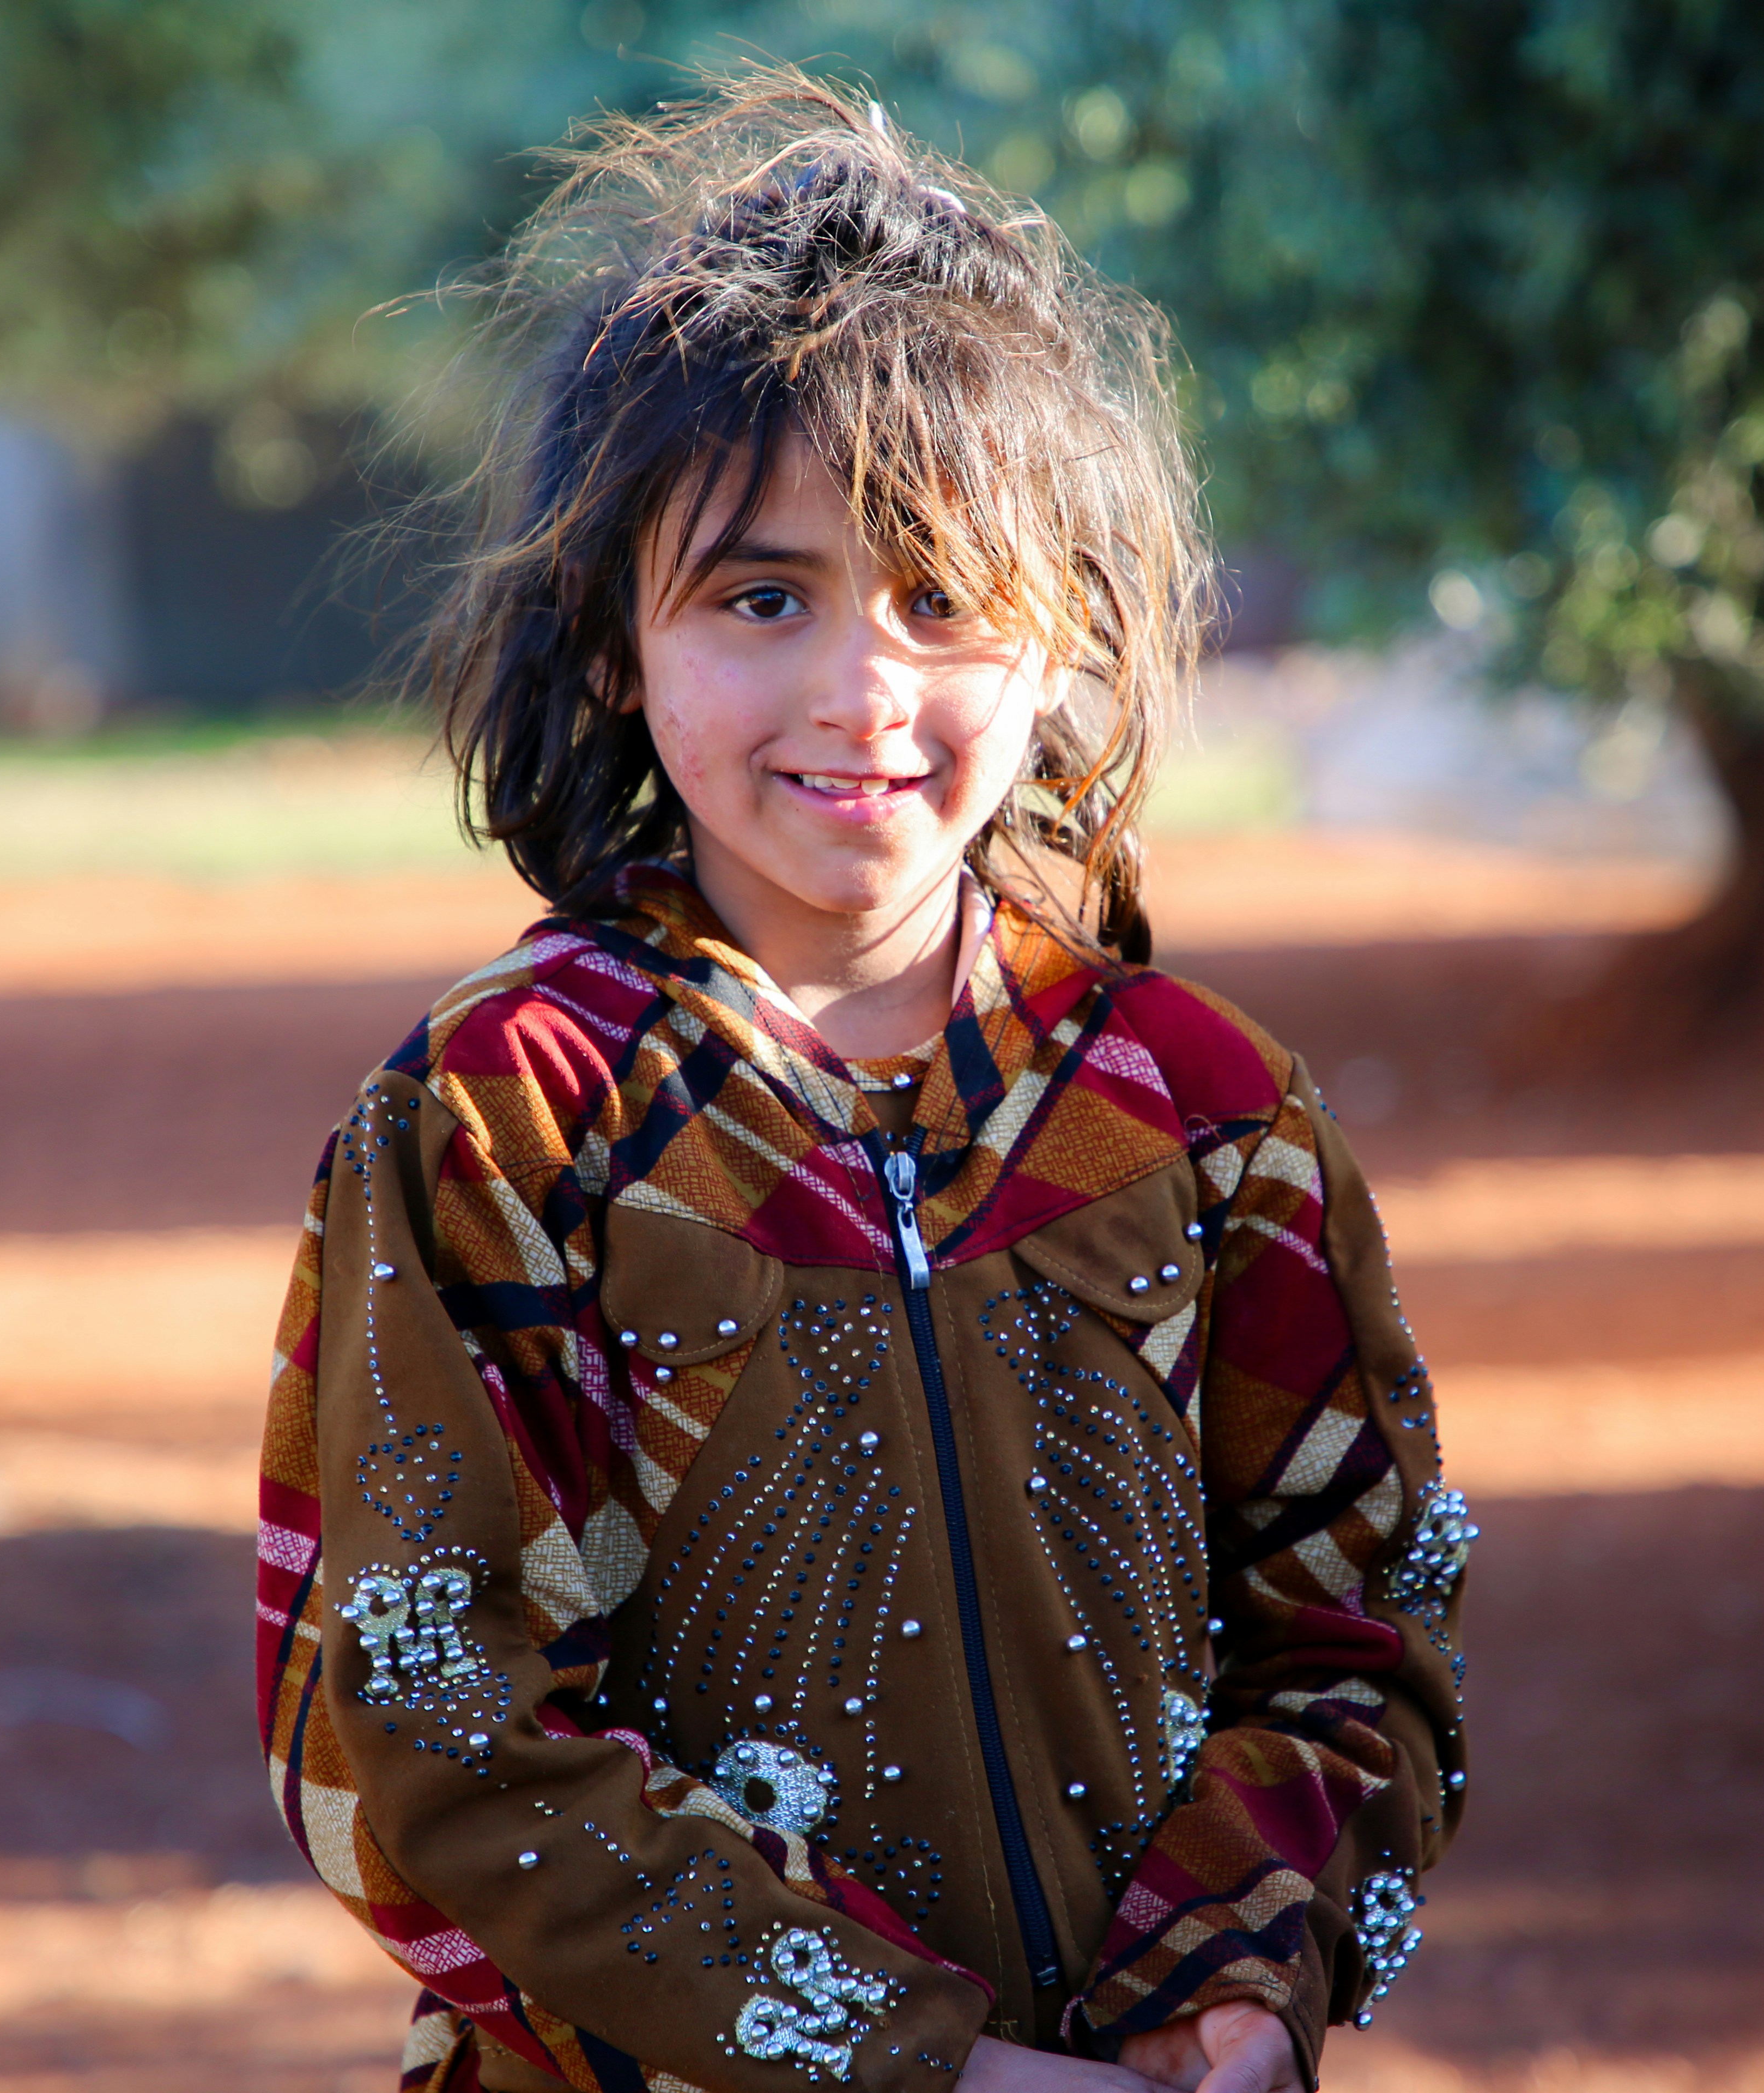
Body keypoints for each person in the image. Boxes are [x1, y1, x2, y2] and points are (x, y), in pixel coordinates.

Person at [253, 66, 1470, 2093]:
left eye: (943, 598)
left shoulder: (1205, 1114)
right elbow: (433, 1722)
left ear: (1061, 636)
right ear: (614, 638)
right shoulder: (508, 1118)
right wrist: (922, 2069)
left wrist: (1241, 1998)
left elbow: (1357, 1633)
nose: (861, 692)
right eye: (763, 597)